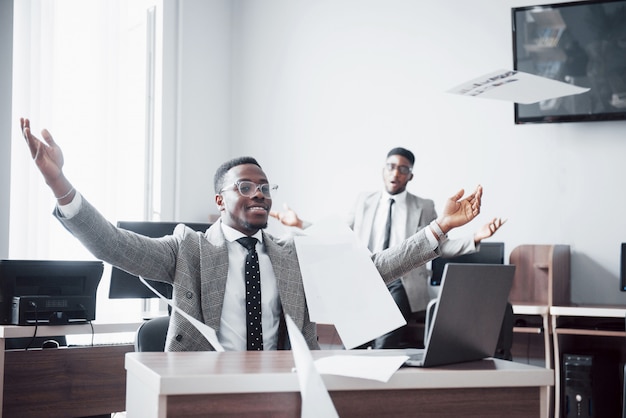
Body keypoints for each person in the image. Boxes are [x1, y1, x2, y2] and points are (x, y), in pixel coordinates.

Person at [21, 118, 483, 352]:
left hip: (282, 384)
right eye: (245, 187)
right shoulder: (190, 249)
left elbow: (373, 268)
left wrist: (439, 227)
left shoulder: (290, 254)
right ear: (220, 200)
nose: (259, 194)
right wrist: (60, 185)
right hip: (203, 387)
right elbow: (113, 245)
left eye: (264, 188)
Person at [271, 147, 505, 349]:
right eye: (391, 166)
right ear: (383, 170)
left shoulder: (423, 206)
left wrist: (475, 237)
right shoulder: (364, 200)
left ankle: (384, 358)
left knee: (385, 342)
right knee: (355, 342)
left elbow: (437, 243)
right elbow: (340, 233)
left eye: (403, 169)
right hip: (364, 276)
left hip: (402, 280)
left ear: (410, 175)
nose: (395, 172)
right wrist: (300, 223)